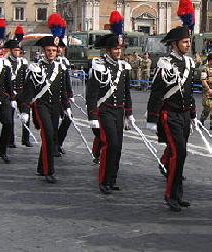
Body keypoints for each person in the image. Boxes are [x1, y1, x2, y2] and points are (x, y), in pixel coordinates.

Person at [146, 26, 197, 212]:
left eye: (189, 41)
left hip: (184, 115)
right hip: (169, 114)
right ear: (174, 44)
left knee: (181, 155)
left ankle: (178, 194)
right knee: (179, 153)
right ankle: (170, 195)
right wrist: (152, 117)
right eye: (184, 42)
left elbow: (190, 92)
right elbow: (157, 92)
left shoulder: (190, 63)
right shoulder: (165, 64)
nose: (188, 45)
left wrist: (192, 114)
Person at [17, 14, 72, 183]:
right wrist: (25, 109)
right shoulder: (35, 68)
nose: (51, 53)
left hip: (55, 106)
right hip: (41, 105)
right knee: (48, 134)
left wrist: (66, 106)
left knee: (51, 135)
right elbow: (29, 90)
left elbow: (63, 89)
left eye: (54, 50)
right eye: (48, 50)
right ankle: (49, 171)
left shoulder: (61, 68)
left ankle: (41, 166)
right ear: (43, 51)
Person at [86, 11, 134, 194]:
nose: (118, 52)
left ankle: (113, 179)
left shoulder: (123, 67)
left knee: (119, 147)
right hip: (104, 110)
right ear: (108, 50)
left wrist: (129, 114)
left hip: (118, 111)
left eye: (120, 49)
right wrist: (92, 116)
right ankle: (103, 180)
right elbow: (92, 94)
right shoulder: (99, 66)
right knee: (110, 145)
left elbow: (126, 92)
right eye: (115, 49)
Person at [5, 25, 32, 148]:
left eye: (18, 50)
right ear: (11, 51)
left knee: (26, 116)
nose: (17, 52)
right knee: (9, 119)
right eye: (15, 50)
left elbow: (27, 78)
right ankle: (10, 140)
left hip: (21, 93)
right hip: (10, 94)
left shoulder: (23, 62)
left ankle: (25, 139)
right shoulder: (6, 63)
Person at [0, 18, 13, 163]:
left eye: (0, 49)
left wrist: (12, 99)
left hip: (2, 97)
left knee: (8, 123)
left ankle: (2, 151)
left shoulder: (5, 64)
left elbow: (8, 83)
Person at [56, 28, 74, 156]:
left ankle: (58, 143)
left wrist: (70, 95)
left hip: (62, 97)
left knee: (68, 119)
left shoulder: (64, 62)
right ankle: (52, 146)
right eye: (58, 47)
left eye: (61, 48)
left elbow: (67, 80)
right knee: (52, 123)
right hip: (50, 97)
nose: (59, 50)